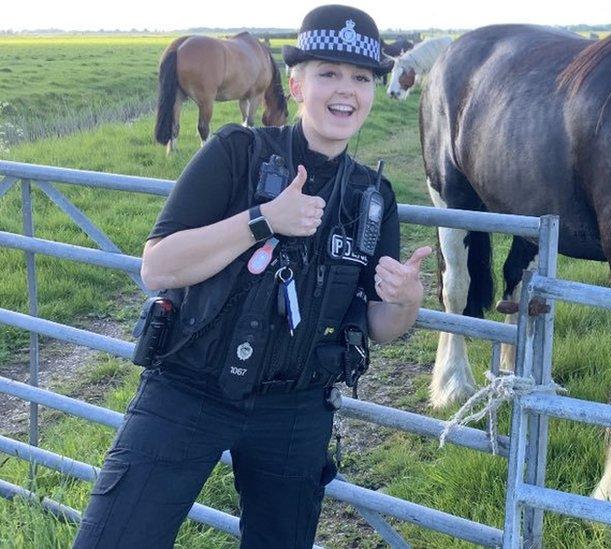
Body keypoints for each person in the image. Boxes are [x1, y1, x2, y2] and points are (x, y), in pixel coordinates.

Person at [73, 5, 431, 548]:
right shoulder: (236, 152)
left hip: (296, 408)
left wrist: (407, 299)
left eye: (360, 78)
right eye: (327, 73)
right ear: (295, 82)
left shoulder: (371, 198)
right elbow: (158, 266)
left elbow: (382, 326)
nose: (345, 90)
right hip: (189, 386)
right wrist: (263, 221)